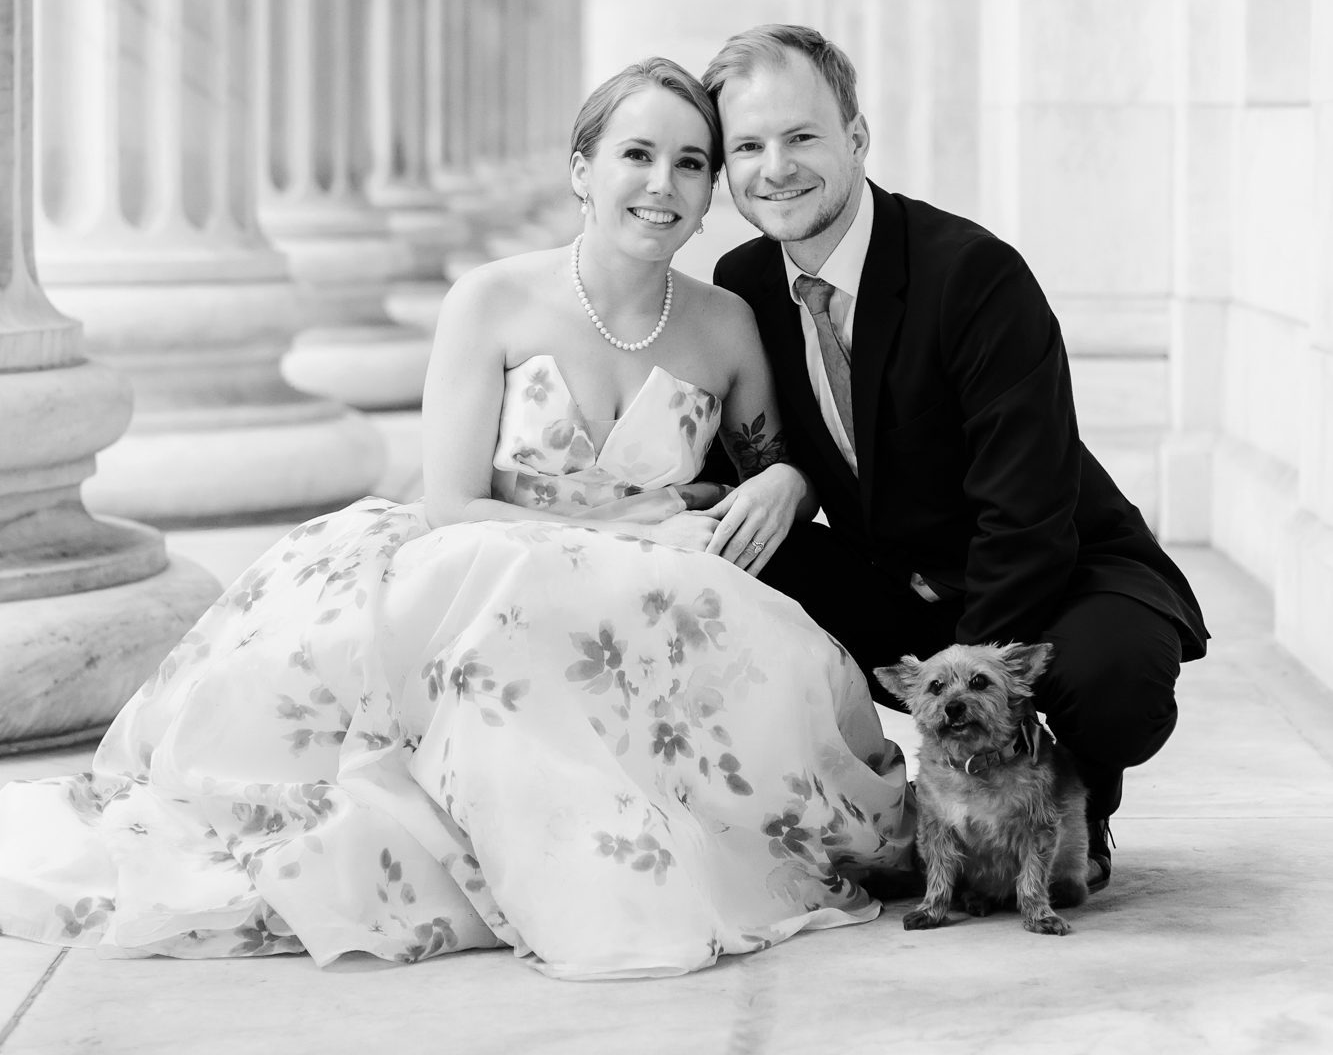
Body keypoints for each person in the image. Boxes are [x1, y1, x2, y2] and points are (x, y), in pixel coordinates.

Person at [0, 58, 914, 981]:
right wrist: (628, 536)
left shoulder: (723, 323)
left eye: (689, 164)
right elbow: (449, 503)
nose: (660, 185)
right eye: (635, 154)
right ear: (580, 169)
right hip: (489, 563)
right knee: (500, 590)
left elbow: (776, 466)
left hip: (651, 595)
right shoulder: (491, 298)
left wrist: (787, 482)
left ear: (710, 188)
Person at [701, 23, 1208, 892]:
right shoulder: (745, 281)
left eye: (801, 136)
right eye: (747, 145)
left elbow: (1029, 504)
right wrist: (787, 473)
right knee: (736, 556)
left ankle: (1066, 804)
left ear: (857, 138)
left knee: (1111, 687)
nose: (774, 166)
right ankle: (825, 811)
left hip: (1055, 567)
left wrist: (970, 680)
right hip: (899, 578)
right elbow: (779, 444)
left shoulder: (971, 273)